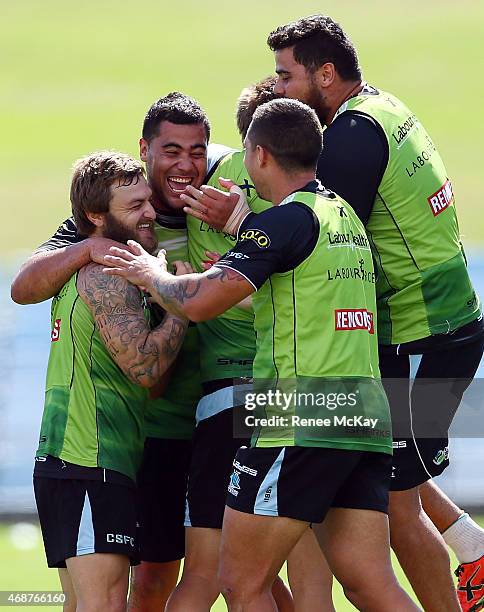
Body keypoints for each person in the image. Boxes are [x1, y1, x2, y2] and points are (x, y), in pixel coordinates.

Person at [183, 15, 484, 612]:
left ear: (325, 73)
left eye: (285, 76)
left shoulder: (347, 140)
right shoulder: (380, 109)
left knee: (396, 498)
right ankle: (469, 545)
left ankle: (467, 573)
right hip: (435, 326)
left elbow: (318, 241)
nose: (277, 89)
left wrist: (244, 227)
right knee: (394, 489)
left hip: (424, 332)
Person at [102, 98, 419, 612]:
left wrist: (149, 274)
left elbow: (201, 302)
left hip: (300, 418)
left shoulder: (283, 223)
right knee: (369, 585)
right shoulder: (343, 218)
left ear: (261, 156)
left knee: (241, 581)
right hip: (364, 416)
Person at [11, 93, 293, 611]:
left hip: (229, 414)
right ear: (145, 149)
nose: (185, 165)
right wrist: (86, 250)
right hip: (150, 430)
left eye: (197, 150)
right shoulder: (114, 222)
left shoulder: (226, 195)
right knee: (156, 577)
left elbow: (292, 228)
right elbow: (25, 286)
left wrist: (242, 221)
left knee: (247, 569)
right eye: (171, 151)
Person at [12, 93, 208, 612]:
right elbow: (147, 369)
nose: (150, 215)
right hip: (88, 461)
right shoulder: (104, 272)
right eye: (135, 207)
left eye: (147, 203)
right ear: (96, 217)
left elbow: (152, 376)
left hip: (90, 459)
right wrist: (181, 302)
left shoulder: (119, 268)